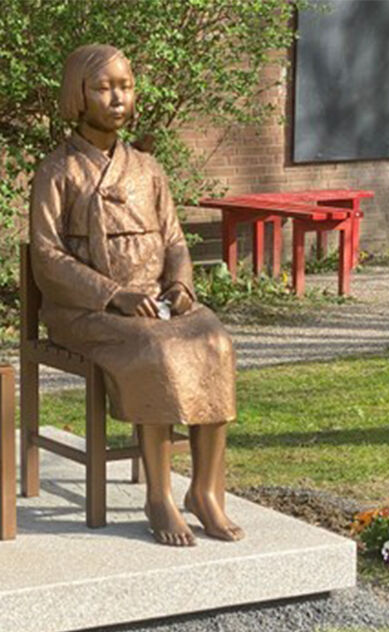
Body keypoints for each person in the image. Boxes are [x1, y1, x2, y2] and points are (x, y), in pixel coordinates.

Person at [29, 44, 242, 546]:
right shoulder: (57, 171)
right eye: (103, 88)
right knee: (157, 350)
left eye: (124, 86)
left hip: (157, 302)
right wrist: (114, 294)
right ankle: (159, 497)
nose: (117, 98)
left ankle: (205, 492)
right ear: (78, 95)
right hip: (86, 310)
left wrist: (181, 284)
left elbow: (175, 240)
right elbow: (47, 256)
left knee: (215, 344)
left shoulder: (148, 168)